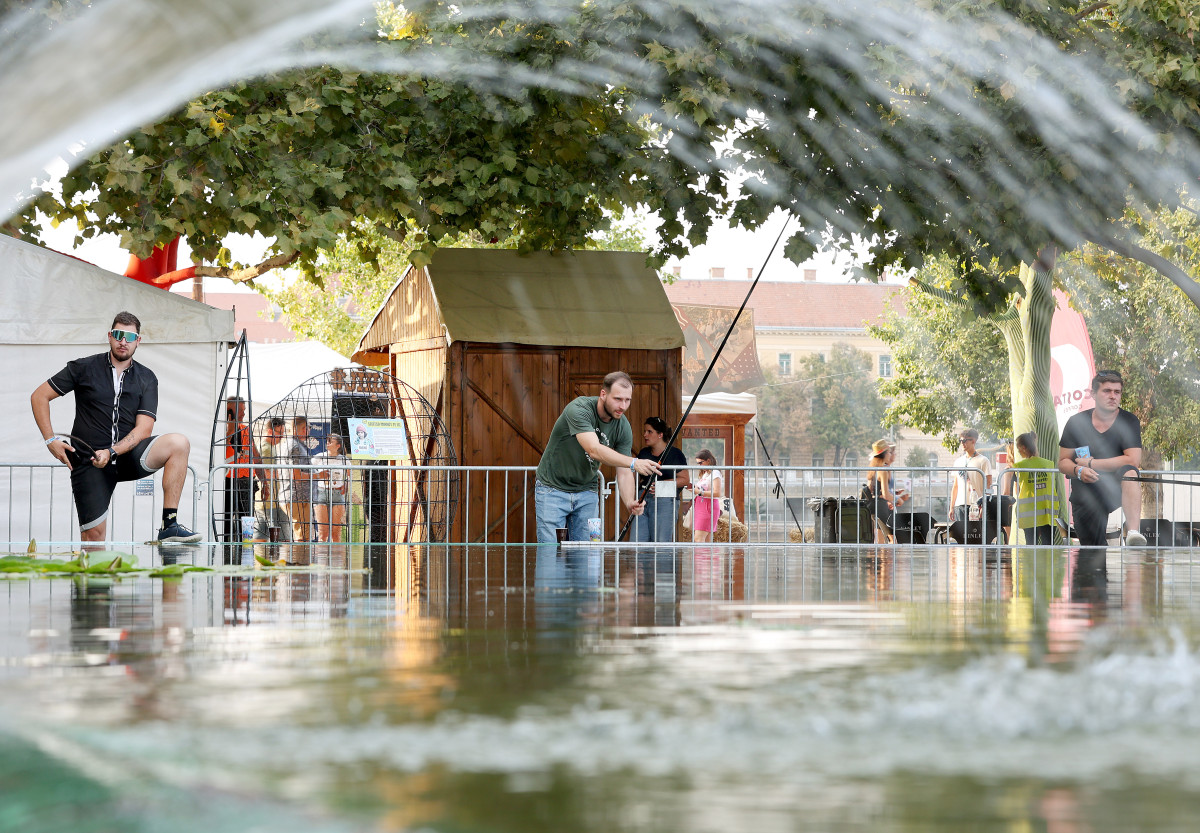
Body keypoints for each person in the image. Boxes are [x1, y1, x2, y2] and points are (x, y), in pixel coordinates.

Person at [30, 312, 202, 543]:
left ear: (138, 341)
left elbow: (144, 429)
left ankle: (169, 524)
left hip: (126, 456)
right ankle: (93, 566)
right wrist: (51, 440)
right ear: (110, 336)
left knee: (179, 443)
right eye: (119, 335)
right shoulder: (82, 367)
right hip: (90, 461)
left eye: (129, 337)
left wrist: (111, 451)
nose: (123, 341)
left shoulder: (147, 377)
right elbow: (39, 396)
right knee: (93, 537)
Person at [534, 371, 659, 543]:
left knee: (590, 551)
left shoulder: (623, 426)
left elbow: (624, 471)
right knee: (550, 550)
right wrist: (634, 462)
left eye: (627, 400)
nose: (623, 406)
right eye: (618, 399)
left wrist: (630, 501)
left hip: (587, 492)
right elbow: (593, 449)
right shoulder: (579, 408)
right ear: (603, 394)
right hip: (552, 489)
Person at [1058, 370, 1147, 547]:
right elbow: (1062, 462)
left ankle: (1133, 533)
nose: (1113, 396)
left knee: (1130, 472)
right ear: (1093, 394)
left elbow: (1132, 460)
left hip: (1116, 487)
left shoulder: (1129, 421)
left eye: (1117, 392)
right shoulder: (1076, 422)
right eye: (1107, 391)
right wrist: (1078, 470)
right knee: (1092, 551)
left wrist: (1092, 463)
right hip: (1086, 492)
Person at [632, 416, 689, 543]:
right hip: (643, 497)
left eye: (649, 432)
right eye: (645, 431)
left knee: (661, 541)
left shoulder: (675, 454)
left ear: (660, 435)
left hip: (665, 499)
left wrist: (662, 485)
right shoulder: (643, 453)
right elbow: (636, 476)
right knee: (637, 541)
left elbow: (685, 479)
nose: (645, 435)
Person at [222, 396, 265, 546]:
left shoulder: (246, 429)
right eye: (239, 410)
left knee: (247, 520)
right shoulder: (221, 430)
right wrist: (230, 425)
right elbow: (225, 443)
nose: (243, 413)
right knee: (226, 521)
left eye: (244, 410)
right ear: (229, 411)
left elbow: (256, 456)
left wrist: (265, 483)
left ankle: (247, 548)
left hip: (246, 481)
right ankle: (226, 549)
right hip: (227, 481)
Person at [1011, 431, 1056, 545]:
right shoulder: (1049, 464)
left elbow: (1017, 491)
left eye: (1018, 448)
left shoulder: (1019, 467)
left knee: (1031, 548)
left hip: (1028, 515)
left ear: (1023, 447)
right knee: (1048, 548)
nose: (1018, 451)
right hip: (1048, 513)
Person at [256, 417, 293, 542]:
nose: (282, 436)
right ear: (270, 431)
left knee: (262, 538)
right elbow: (265, 473)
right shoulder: (266, 448)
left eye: (283, 433)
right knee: (280, 539)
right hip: (269, 501)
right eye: (280, 433)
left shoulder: (270, 447)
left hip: (269, 501)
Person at [865, 439, 908, 543]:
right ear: (884, 454)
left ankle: (880, 555)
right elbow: (885, 495)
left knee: (879, 540)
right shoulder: (883, 470)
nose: (890, 454)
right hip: (881, 507)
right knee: (893, 539)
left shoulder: (873, 469)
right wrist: (898, 499)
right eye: (888, 452)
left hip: (872, 506)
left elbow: (873, 490)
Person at [949, 428, 992, 524]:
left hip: (976, 505)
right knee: (961, 533)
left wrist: (984, 506)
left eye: (964, 441)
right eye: (960, 441)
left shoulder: (983, 460)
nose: (962, 443)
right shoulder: (958, 461)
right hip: (960, 505)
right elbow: (955, 486)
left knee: (975, 532)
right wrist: (952, 507)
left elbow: (988, 484)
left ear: (973, 441)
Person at [313, 434, 349, 542]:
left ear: (338, 445)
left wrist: (346, 484)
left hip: (338, 494)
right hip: (321, 493)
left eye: (330, 441)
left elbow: (349, 476)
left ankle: (336, 553)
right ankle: (322, 553)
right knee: (323, 533)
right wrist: (318, 477)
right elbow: (308, 471)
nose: (327, 443)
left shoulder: (344, 460)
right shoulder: (319, 457)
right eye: (327, 441)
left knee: (336, 533)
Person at [289, 416, 314, 542]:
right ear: (303, 429)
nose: (309, 430)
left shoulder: (298, 445)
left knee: (304, 535)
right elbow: (296, 475)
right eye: (308, 427)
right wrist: (319, 476)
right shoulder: (295, 446)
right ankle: (301, 555)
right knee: (303, 536)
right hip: (298, 496)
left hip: (301, 496)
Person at [691, 448, 724, 543]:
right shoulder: (706, 473)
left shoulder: (715, 473)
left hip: (708, 505)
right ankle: (707, 554)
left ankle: (701, 553)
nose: (699, 466)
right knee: (706, 539)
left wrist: (700, 492)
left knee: (699, 538)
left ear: (708, 461)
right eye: (698, 463)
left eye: (701, 463)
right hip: (702, 505)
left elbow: (717, 493)